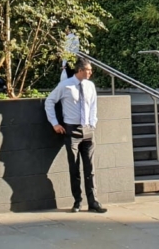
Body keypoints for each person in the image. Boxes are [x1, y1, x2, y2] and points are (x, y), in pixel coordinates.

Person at [45, 57, 107, 214]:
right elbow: (50, 101)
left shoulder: (90, 86)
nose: (91, 73)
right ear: (80, 70)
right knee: (74, 167)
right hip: (71, 130)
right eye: (88, 70)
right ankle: (78, 201)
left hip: (88, 130)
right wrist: (55, 123)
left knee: (90, 168)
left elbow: (93, 105)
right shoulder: (65, 85)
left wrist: (93, 123)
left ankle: (93, 202)